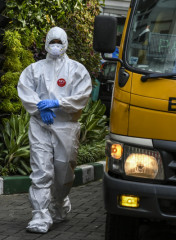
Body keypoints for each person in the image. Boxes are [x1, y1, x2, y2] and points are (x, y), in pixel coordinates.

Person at [17, 26, 92, 233]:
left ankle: (59, 202)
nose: (56, 46)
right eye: (52, 42)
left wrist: (58, 103)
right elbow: (25, 90)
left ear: (65, 43)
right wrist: (41, 109)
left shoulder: (77, 70)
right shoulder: (34, 69)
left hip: (66, 126)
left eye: (59, 42)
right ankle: (40, 215)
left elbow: (82, 95)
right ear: (46, 44)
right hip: (40, 125)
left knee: (63, 172)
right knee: (41, 170)